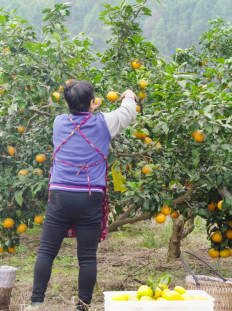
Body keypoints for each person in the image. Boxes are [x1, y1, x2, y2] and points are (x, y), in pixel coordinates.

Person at [28, 81, 138, 311]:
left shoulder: (59, 122)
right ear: (91, 102)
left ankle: (36, 302)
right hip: (89, 196)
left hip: (59, 195)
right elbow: (127, 113)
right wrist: (128, 95)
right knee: (87, 256)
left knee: (47, 251)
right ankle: (83, 305)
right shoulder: (105, 123)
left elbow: (80, 113)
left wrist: (88, 106)